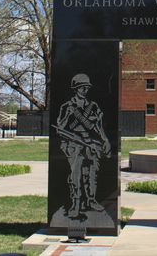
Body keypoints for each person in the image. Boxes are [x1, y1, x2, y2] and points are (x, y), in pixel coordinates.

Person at [55, 73, 111, 219]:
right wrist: (67, 115)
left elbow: (98, 127)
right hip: (73, 143)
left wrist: (105, 140)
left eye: (86, 87)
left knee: (92, 173)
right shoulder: (67, 106)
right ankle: (76, 203)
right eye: (81, 87)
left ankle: (91, 200)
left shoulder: (93, 106)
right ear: (76, 88)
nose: (85, 89)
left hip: (89, 143)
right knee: (75, 174)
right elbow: (59, 128)